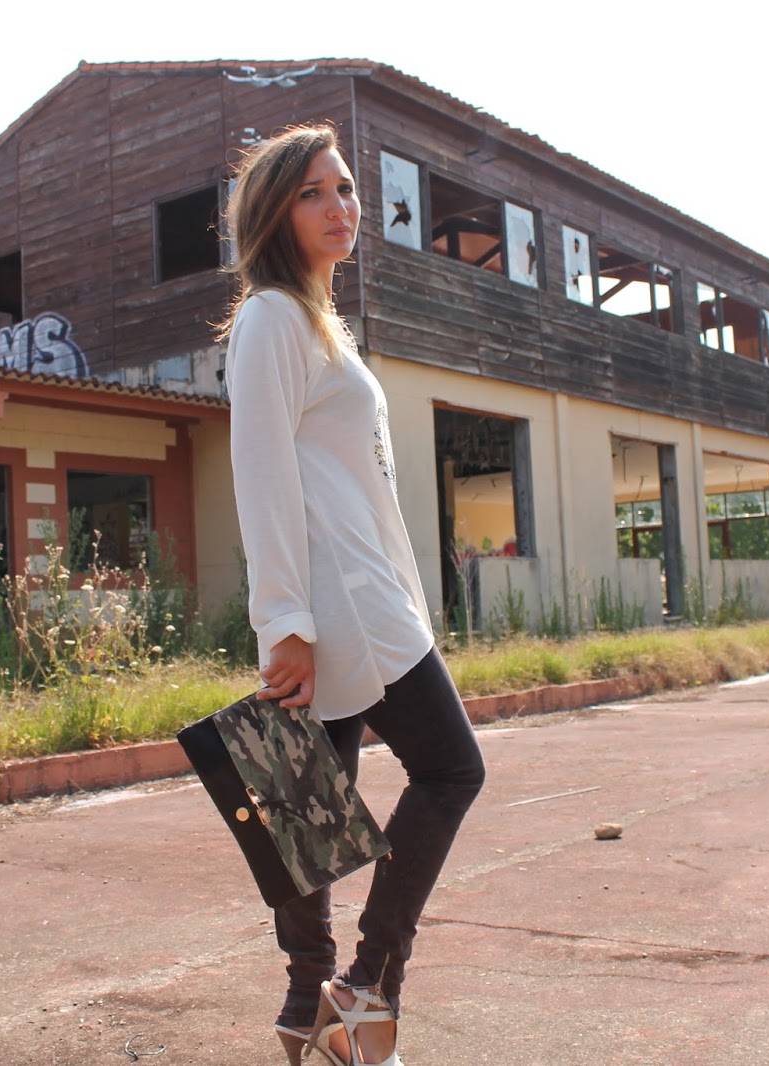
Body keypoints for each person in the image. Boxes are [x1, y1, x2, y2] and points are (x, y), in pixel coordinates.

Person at [219, 124, 486, 1066]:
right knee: (450, 771)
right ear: (274, 214)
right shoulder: (271, 320)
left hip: (359, 594)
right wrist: (285, 622)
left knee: (308, 804)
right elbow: (260, 475)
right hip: (343, 604)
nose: (340, 207)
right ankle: (367, 990)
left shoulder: (317, 320)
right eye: (313, 193)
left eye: (344, 189)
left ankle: (309, 1005)